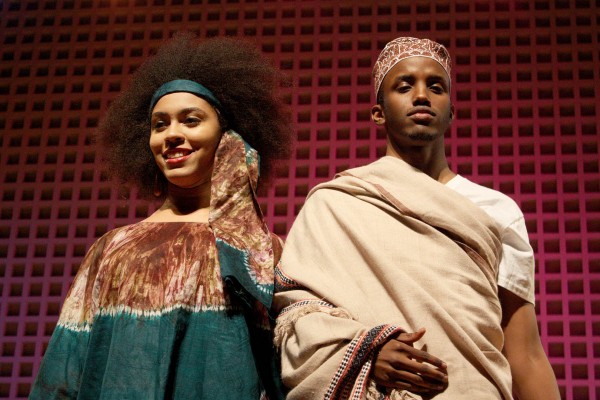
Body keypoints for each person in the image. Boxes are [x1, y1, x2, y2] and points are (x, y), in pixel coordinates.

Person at [273, 37, 560, 399]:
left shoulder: (495, 209)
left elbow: (526, 354)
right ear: (378, 112)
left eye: (435, 86)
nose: (421, 95)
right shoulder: (335, 204)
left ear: (452, 111)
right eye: (404, 86)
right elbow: (298, 314)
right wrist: (364, 352)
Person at [30, 33, 292, 399]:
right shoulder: (112, 248)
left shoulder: (263, 251)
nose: (172, 134)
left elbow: (284, 369)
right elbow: (65, 366)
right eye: (160, 124)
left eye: (190, 120)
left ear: (227, 137)